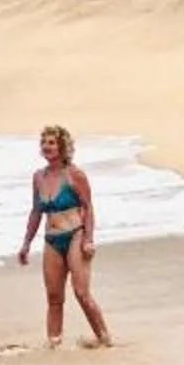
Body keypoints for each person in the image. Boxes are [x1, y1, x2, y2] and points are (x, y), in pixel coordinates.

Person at [17, 124, 113, 347]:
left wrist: (89, 239)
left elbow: (88, 207)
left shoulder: (74, 174)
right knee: (54, 296)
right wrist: (26, 243)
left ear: (62, 146)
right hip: (51, 238)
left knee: (81, 292)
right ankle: (54, 343)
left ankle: (104, 338)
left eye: (51, 142)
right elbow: (36, 211)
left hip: (75, 235)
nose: (46, 147)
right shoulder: (38, 177)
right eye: (44, 143)